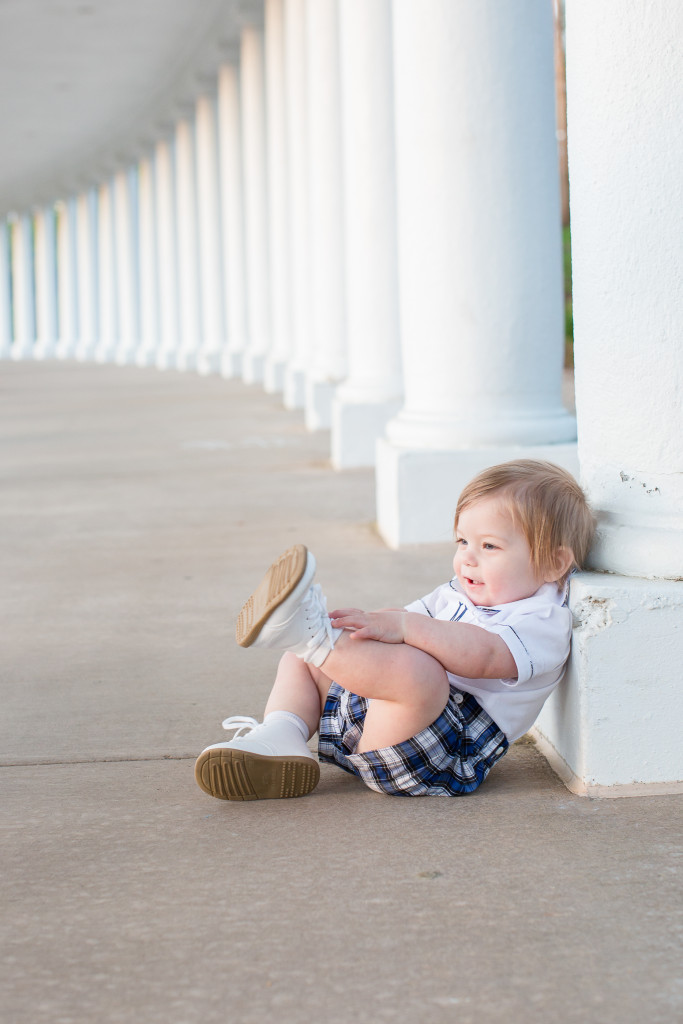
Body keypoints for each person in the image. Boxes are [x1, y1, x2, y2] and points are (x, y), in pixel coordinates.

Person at [194, 460, 595, 801]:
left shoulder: (543, 621)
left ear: (553, 564)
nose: (467, 559)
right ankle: (281, 735)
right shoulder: (459, 593)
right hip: (381, 720)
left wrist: (404, 626)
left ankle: (308, 637)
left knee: (418, 672)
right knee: (306, 660)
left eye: (489, 547)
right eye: (462, 541)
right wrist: (362, 629)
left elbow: (483, 655)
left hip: (444, 751)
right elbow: (400, 620)